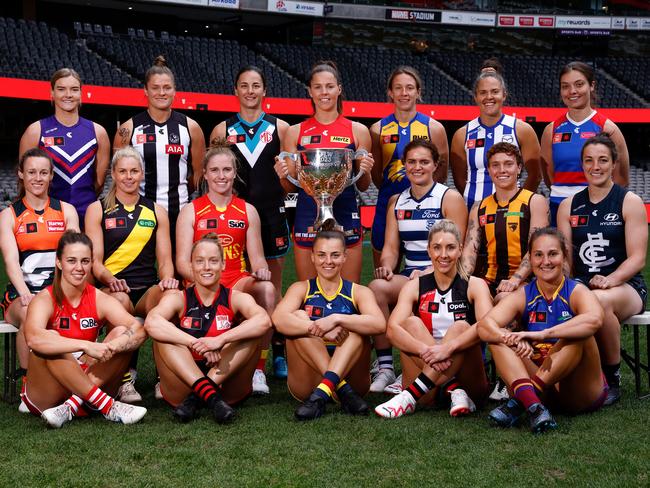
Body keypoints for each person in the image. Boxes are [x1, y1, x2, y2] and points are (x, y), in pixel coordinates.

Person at [477, 227, 607, 433]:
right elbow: (485, 326)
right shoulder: (524, 294)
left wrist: (543, 334)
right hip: (542, 387)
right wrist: (511, 338)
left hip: (578, 392)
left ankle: (521, 402)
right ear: (530, 258)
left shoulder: (576, 290)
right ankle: (534, 406)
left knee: (578, 335)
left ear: (564, 256)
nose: (545, 261)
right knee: (497, 340)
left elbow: (594, 320)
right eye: (538, 255)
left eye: (553, 254)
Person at [176, 143, 277, 395]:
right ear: (205, 174)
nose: (221, 176)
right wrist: (207, 283)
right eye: (215, 170)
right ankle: (180, 366)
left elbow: (258, 260)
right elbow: (181, 262)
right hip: (201, 281)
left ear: (235, 173)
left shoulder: (248, 211)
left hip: (237, 280)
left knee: (266, 290)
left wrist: (262, 271)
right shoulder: (191, 211)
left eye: (227, 170)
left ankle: (258, 369)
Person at [209, 65, 290, 379]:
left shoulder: (281, 128)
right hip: (234, 218)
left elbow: (289, 178)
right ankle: (237, 350)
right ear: (236, 91)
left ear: (264, 90)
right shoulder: (222, 129)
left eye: (256, 85)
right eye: (244, 85)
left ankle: (275, 353)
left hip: (271, 215)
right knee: (233, 286)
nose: (250, 91)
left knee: (272, 289)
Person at [368, 139, 467, 393]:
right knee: (376, 288)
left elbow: (460, 247)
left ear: (435, 165)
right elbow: (391, 248)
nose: (417, 167)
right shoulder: (396, 202)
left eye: (424, 161)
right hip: (411, 273)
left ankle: (416, 373)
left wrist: (430, 271)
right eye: (411, 162)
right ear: (404, 165)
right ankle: (386, 367)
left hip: (446, 273)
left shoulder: (449, 197)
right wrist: (388, 266)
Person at [22, 231, 147, 428]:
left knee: (122, 333)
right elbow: (34, 339)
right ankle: (109, 406)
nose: (79, 268)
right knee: (52, 340)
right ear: (59, 262)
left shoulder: (97, 297)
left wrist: (113, 346)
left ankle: (71, 406)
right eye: (72, 260)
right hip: (48, 394)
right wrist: (86, 346)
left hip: (86, 383)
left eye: (85, 261)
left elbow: (138, 328)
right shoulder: (44, 299)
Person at [557, 133, 646, 405]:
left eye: (603, 160)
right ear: (582, 165)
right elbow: (566, 260)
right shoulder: (568, 205)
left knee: (599, 300)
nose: (596, 166)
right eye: (589, 161)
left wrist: (611, 280)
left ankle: (612, 379)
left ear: (614, 164)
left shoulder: (629, 201)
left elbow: (638, 258)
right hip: (583, 285)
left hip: (626, 286)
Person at [145, 233, 271, 423]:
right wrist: (196, 343)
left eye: (213, 261)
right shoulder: (179, 298)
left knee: (250, 333)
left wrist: (220, 340)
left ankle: (198, 398)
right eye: (200, 261)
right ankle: (212, 399)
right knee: (164, 337)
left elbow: (264, 321)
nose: (206, 267)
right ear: (190, 266)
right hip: (184, 382)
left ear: (223, 265)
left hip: (226, 381)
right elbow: (151, 322)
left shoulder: (235, 297)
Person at [85, 146, 178, 403]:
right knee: (121, 302)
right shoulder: (98, 209)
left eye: (134, 171)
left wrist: (168, 279)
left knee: (171, 297)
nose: (128, 176)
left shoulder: (156, 211)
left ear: (142, 174)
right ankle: (125, 380)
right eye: (123, 171)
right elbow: (95, 262)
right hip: (111, 288)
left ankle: (165, 377)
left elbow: (165, 261)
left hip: (147, 288)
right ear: (113, 174)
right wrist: (110, 280)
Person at [375, 220, 492, 419]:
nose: (443, 255)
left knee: (461, 327)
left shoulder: (475, 285)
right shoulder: (414, 286)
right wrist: (428, 351)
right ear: (428, 250)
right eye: (437, 247)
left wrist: (449, 347)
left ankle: (408, 397)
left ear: (460, 250)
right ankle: (451, 387)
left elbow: (487, 326)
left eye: (450, 247)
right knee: (410, 323)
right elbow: (392, 330)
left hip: (470, 383)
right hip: (427, 380)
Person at [271, 225, 385, 420]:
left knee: (356, 328)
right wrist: (318, 330)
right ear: (313, 257)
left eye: (335, 255)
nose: (328, 261)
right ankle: (337, 388)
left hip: (353, 376)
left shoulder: (358, 291)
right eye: (322, 255)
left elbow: (379, 324)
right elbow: (278, 319)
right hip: (308, 381)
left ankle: (321, 395)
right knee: (298, 318)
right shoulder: (301, 288)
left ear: (344, 257)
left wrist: (336, 319)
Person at [275, 60, 374, 283]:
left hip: (346, 212)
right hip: (308, 214)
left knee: (349, 293)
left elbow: (363, 185)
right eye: (318, 87)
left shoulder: (358, 131)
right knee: (308, 293)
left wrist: (366, 171)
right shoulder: (294, 132)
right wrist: (283, 174)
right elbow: (290, 186)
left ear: (339, 89)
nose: (324, 92)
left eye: (329, 86)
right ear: (310, 91)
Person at [0, 148, 79, 413]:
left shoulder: (66, 211)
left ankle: (77, 378)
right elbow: (11, 262)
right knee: (29, 311)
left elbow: (75, 256)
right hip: (21, 295)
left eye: (43, 172)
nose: (37, 178)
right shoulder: (9, 216)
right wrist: (25, 292)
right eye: (31, 172)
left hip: (58, 293)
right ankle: (29, 385)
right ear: (21, 174)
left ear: (51, 176)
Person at [113, 55, 205, 246]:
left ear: (175, 91)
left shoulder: (191, 127)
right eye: (155, 88)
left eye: (167, 88)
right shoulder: (128, 129)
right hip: (139, 215)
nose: (161, 93)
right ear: (145, 90)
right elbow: (118, 176)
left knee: (178, 271)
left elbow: (198, 176)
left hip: (179, 215)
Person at [369, 65, 449, 267]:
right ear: (390, 92)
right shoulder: (377, 129)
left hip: (427, 208)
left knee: (428, 271)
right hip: (388, 203)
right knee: (385, 272)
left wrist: (421, 194)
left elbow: (441, 170)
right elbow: (377, 174)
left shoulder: (435, 128)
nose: (404, 93)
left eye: (410, 88)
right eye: (398, 88)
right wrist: (394, 194)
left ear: (418, 92)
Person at [541, 61, 630, 225]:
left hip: (597, 209)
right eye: (565, 86)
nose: (572, 91)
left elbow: (621, 179)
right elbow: (549, 176)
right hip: (558, 208)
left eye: (579, 84)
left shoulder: (608, 129)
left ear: (592, 86)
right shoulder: (551, 130)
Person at [19, 68, 110, 223]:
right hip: (46, 217)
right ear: (52, 93)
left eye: (74, 89)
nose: (68, 94)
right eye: (61, 89)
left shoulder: (98, 132)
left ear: (81, 94)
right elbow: (25, 178)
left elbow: (99, 183)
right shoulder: (35, 131)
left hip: (87, 216)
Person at [462, 142, 549, 299]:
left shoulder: (534, 201)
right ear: (489, 170)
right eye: (495, 165)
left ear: (519, 168)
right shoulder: (479, 207)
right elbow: (470, 252)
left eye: (508, 164)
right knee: (465, 293)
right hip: (488, 280)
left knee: (503, 298)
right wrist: (461, 282)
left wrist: (515, 279)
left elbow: (536, 248)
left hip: (526, 280)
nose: (502, 170)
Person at [450, 69, 541, 210]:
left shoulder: (522, 130)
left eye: (494, 91)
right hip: (473, 210)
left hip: (511, 211)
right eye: (483, 92)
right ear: (475, 97)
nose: (489, 97)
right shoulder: (462, 134)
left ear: (504, 95)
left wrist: (519, 202)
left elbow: (535, 175)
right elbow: (459, 180)